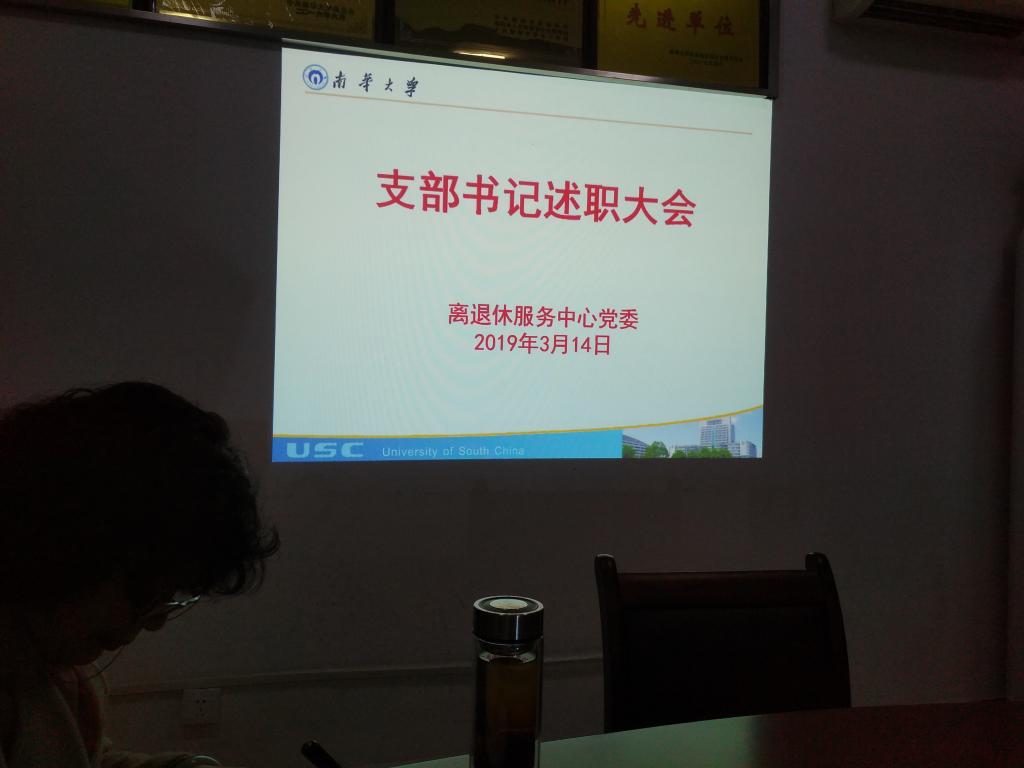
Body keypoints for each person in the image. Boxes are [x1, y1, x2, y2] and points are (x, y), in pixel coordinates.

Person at [0, 382, 280, 768]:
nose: (155, 622)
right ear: (70, 544)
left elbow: (80, 758)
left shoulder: (51, 659)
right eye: (148, 593)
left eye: (171, 597)